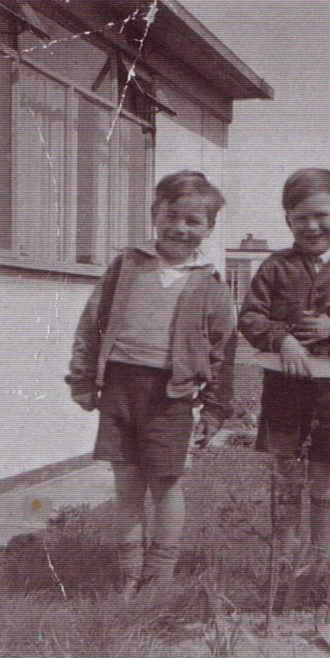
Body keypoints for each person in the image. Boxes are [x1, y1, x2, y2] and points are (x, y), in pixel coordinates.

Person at [66, 170, 236, 603]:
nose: (181, 228)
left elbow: (223, 350)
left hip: (171, 396)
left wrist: (214, 409)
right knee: (126, 485)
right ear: (155, 214)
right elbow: (92, 322)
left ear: (209, 229)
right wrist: (84, 379)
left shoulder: (210, 283)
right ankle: (128, 572)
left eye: (193, 222)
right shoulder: (128, 265)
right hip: (120, 388)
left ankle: (160, 575)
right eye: (172, 216)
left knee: (165, 485)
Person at [238, 168, 330, 607]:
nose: (312, 227)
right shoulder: (274, 267)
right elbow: (250, 317)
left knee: (324, 477)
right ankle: (285, 569)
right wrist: (281, 338)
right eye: (300, 217)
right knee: (286, 477)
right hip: (284, 388)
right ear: (287, 220)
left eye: (322, 216)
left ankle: (317, 569)